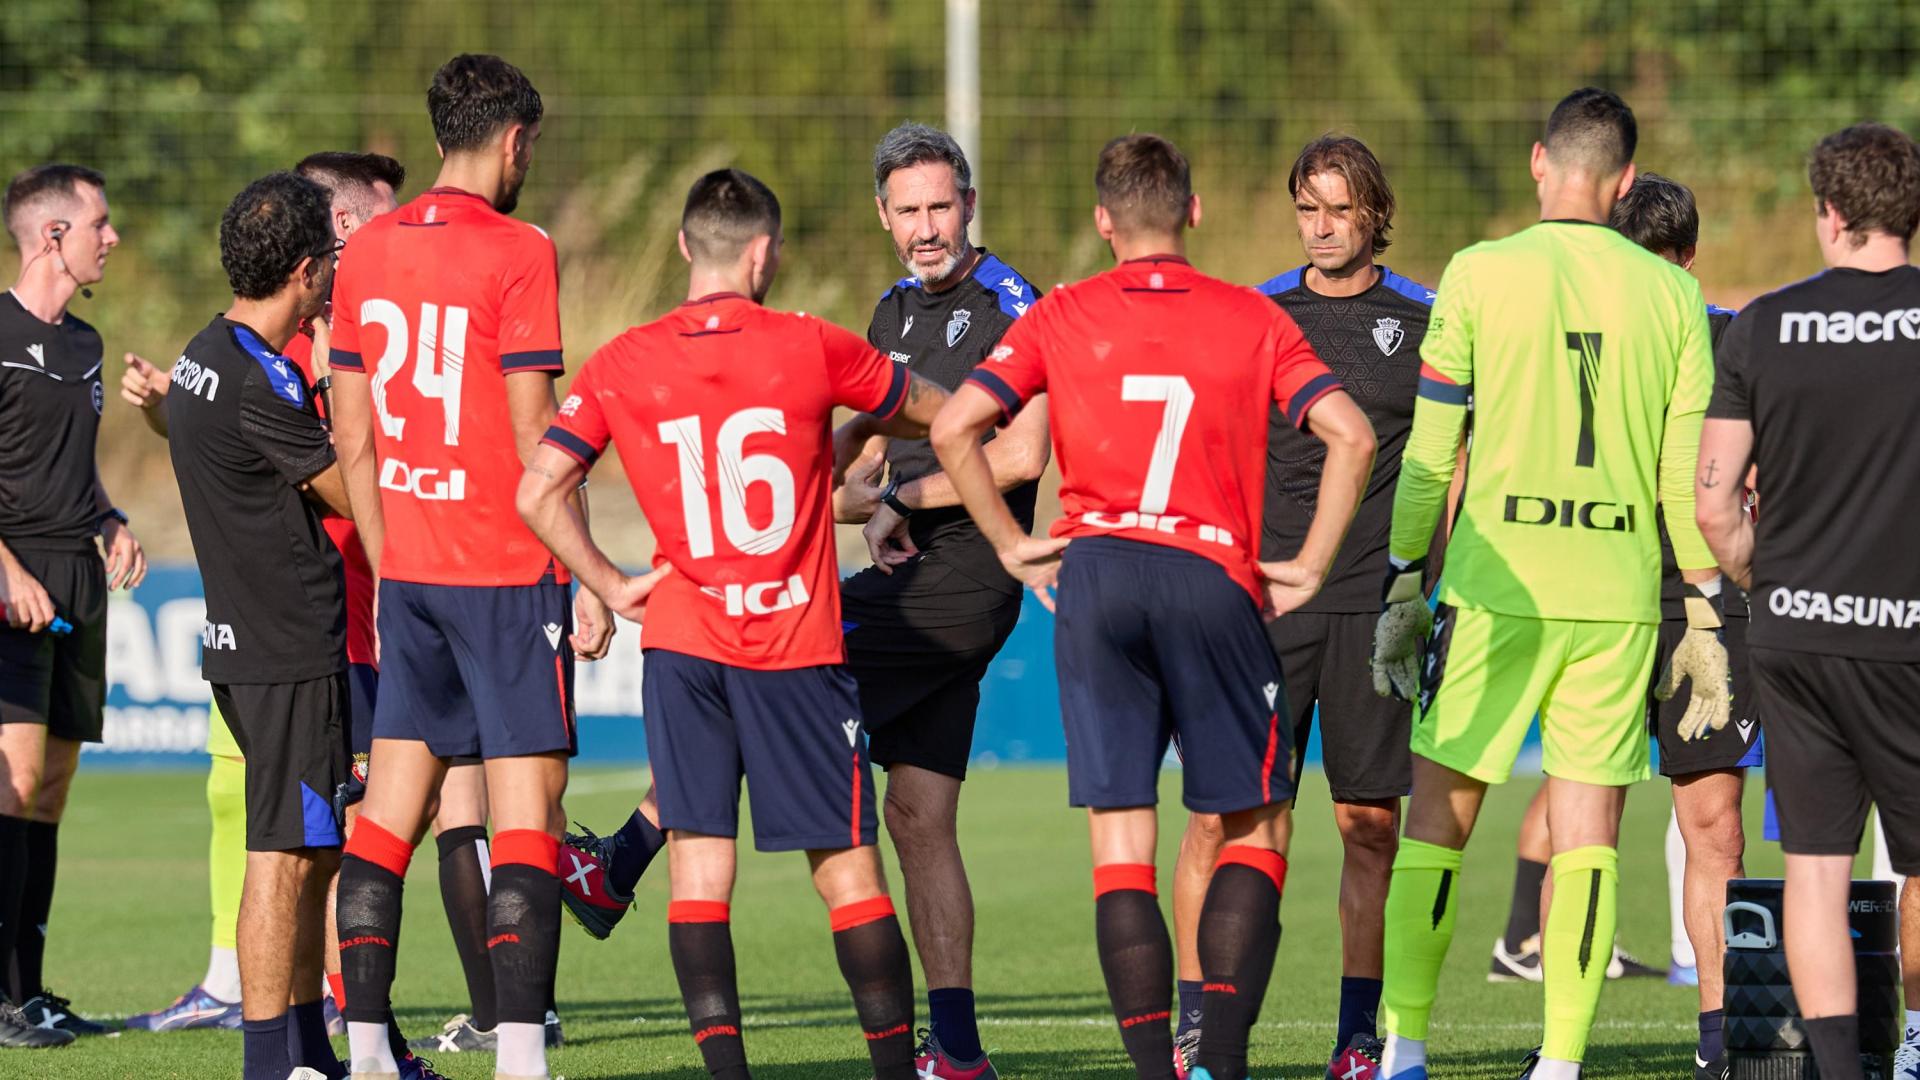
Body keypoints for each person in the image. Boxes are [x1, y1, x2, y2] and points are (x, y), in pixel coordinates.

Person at [932, 133, 1376, 1080]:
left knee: (1122, 845)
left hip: (1097, 577)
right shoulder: (1251, 317)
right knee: (1255, 825)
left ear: (1103, 223)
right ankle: (1217, 1060)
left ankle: (1153, 1070)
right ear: (1194, 212)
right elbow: (1351, 433)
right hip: (1211, 576)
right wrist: (1309, 562)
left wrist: (1013, 545)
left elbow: (954, 425)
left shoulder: (1059, 313)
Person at [519, 168, 948, 1080]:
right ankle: (893, 1070)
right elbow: (943, 412)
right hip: (794, 646)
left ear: (683, 248)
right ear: (764, 254)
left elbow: (538, 491)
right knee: (847, 876)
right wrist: (900, 480)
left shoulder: (620, 362)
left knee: (699, 878)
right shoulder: (812, 345)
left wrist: (607, 579)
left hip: (682, 647)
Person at [1369, 88, 1724, 1080]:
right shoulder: (1675, 296)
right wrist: (1699, 606)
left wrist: (1405, 580)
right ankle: (1560, 1065)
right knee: (1588, 840)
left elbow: (1433, 458)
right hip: (1613, 602)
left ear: (1538, 164)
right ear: (1624, 186)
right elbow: (1677, 475)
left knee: (1436, 828)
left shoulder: (1479, 274)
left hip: (1492, 588)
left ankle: (1403, 1051)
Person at [328, 54, 611, 1080]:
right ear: (513, 139)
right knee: (525, 810)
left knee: (388, 818)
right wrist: (579, 569)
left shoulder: (362, 253)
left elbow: (352, 435)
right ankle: (522, 1059)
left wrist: (390, 549)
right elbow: (540, 433)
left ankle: (365, 1053)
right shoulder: (521, 248)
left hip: (409, 574)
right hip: (503, 571)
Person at [1171, 133, 1432, 1080]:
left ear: (1375, 216)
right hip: (1264, 607)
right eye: (1308, 209)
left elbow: (1450, 468)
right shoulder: (1255, 314)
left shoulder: (1427, 319)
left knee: (1370, 828)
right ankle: (1198, 1023)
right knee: (1227, 819)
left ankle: (1358, 1038)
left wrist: (1425, 587)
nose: (1322, 229)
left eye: (1340, 210)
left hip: (1374, 611)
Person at [1696, 121, 1920, 1080]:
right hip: (1911, 641)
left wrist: (1762, 579)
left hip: (1794, 635)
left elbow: (1713, 504)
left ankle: (1836, 1074)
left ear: (1828, 213)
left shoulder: (1762, 324)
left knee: (1816, 873)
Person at [166, 170, 354, 1080]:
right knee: (283, 856)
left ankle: (305, 1048)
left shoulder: (207, 351)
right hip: (286, 652)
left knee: (311, 852)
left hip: (253, 646)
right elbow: (352, 492)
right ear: (308, 272)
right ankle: (267, 1066)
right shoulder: (257, 384)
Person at [0, 162, 143, 1047]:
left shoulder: (85, 345)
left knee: (49, 790)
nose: (112, 236)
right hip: (10, 583)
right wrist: (5, 569)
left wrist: (111, 516)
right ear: (53, 235)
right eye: (101, 222)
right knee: (10, 783)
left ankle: (31, 992)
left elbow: (72, 466)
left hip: (77, 577)